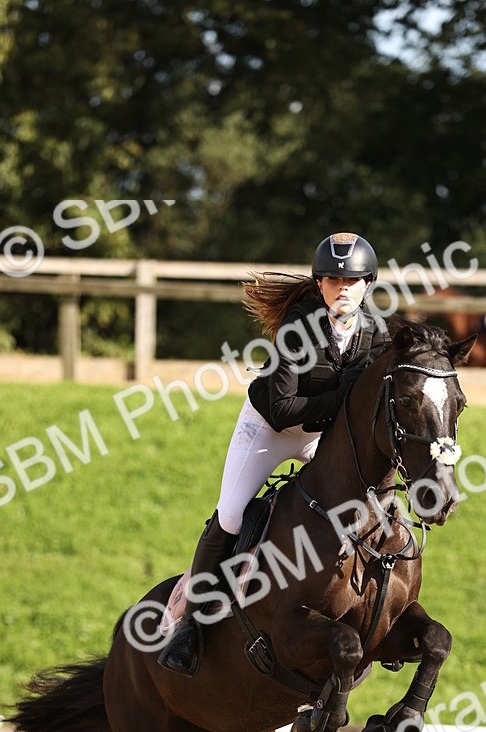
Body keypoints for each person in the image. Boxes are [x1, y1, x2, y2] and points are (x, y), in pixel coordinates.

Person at [158, 231, 391, 676]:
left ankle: (379, 613)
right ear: (319, 284)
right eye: (331, 279)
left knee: (369, 506)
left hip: (322, 435)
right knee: (230, 514)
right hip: (269, 427)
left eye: (352, 280)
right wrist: (344, 395)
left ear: (368, 284)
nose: (342, 287)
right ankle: (189, 626)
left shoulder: (376, 334)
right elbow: (282, 408)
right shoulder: (297, 326)